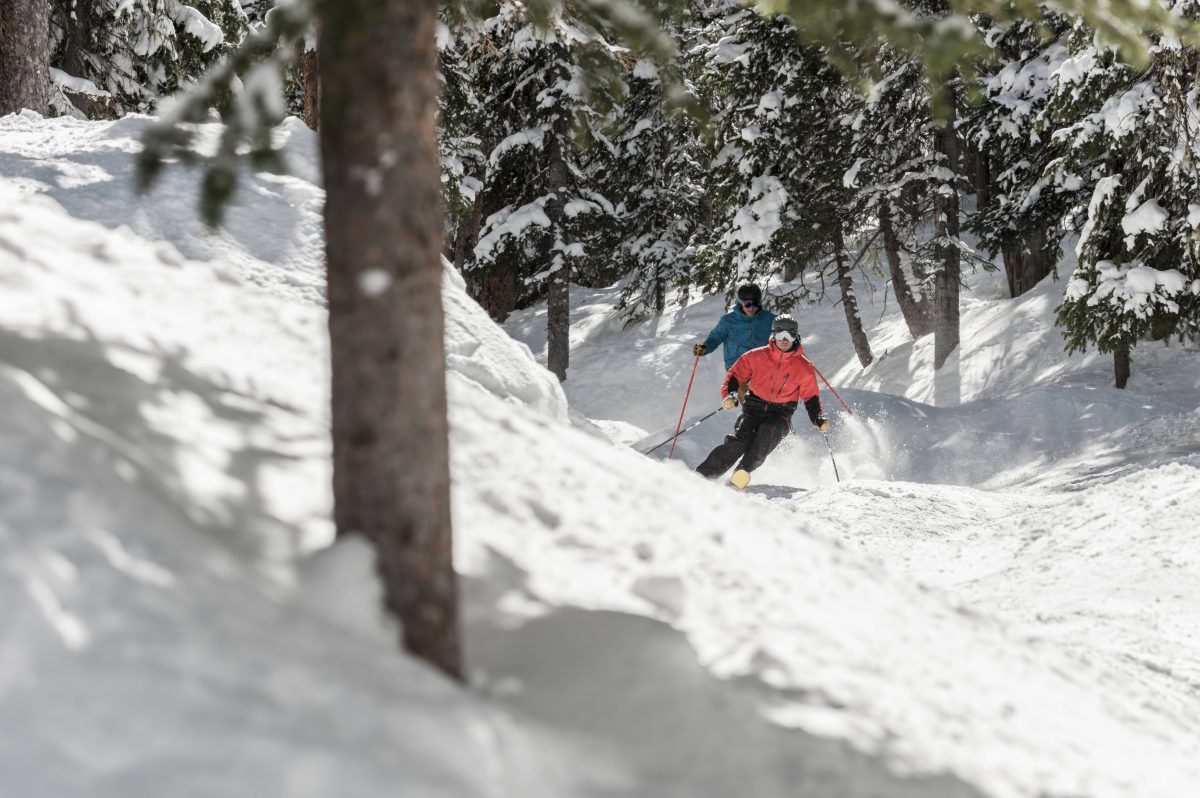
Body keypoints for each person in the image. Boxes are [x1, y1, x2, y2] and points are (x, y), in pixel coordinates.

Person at [695, 314, 829, 489]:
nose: (785, 340)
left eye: (790, 335)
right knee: (740, 442)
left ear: (797, 336)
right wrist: (730, 396)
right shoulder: (756, 356)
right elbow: (735, 376)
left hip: (781, 415)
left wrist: (817, 418)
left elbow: (811, 396)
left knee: (768, 432)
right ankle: (703, 475)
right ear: (773, 335)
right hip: (753, 409)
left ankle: (742, 473)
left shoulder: (803, 367)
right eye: (780, 334)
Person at [692, 283, 776, 371]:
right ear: (740, 302)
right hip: (737, 369)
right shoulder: (728, 321)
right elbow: (715, 338)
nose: (751, 308)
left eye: (755, 303)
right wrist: (705, 348)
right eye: (747, 304)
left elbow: (784, 332)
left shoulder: (769, 319)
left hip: (763, 369)